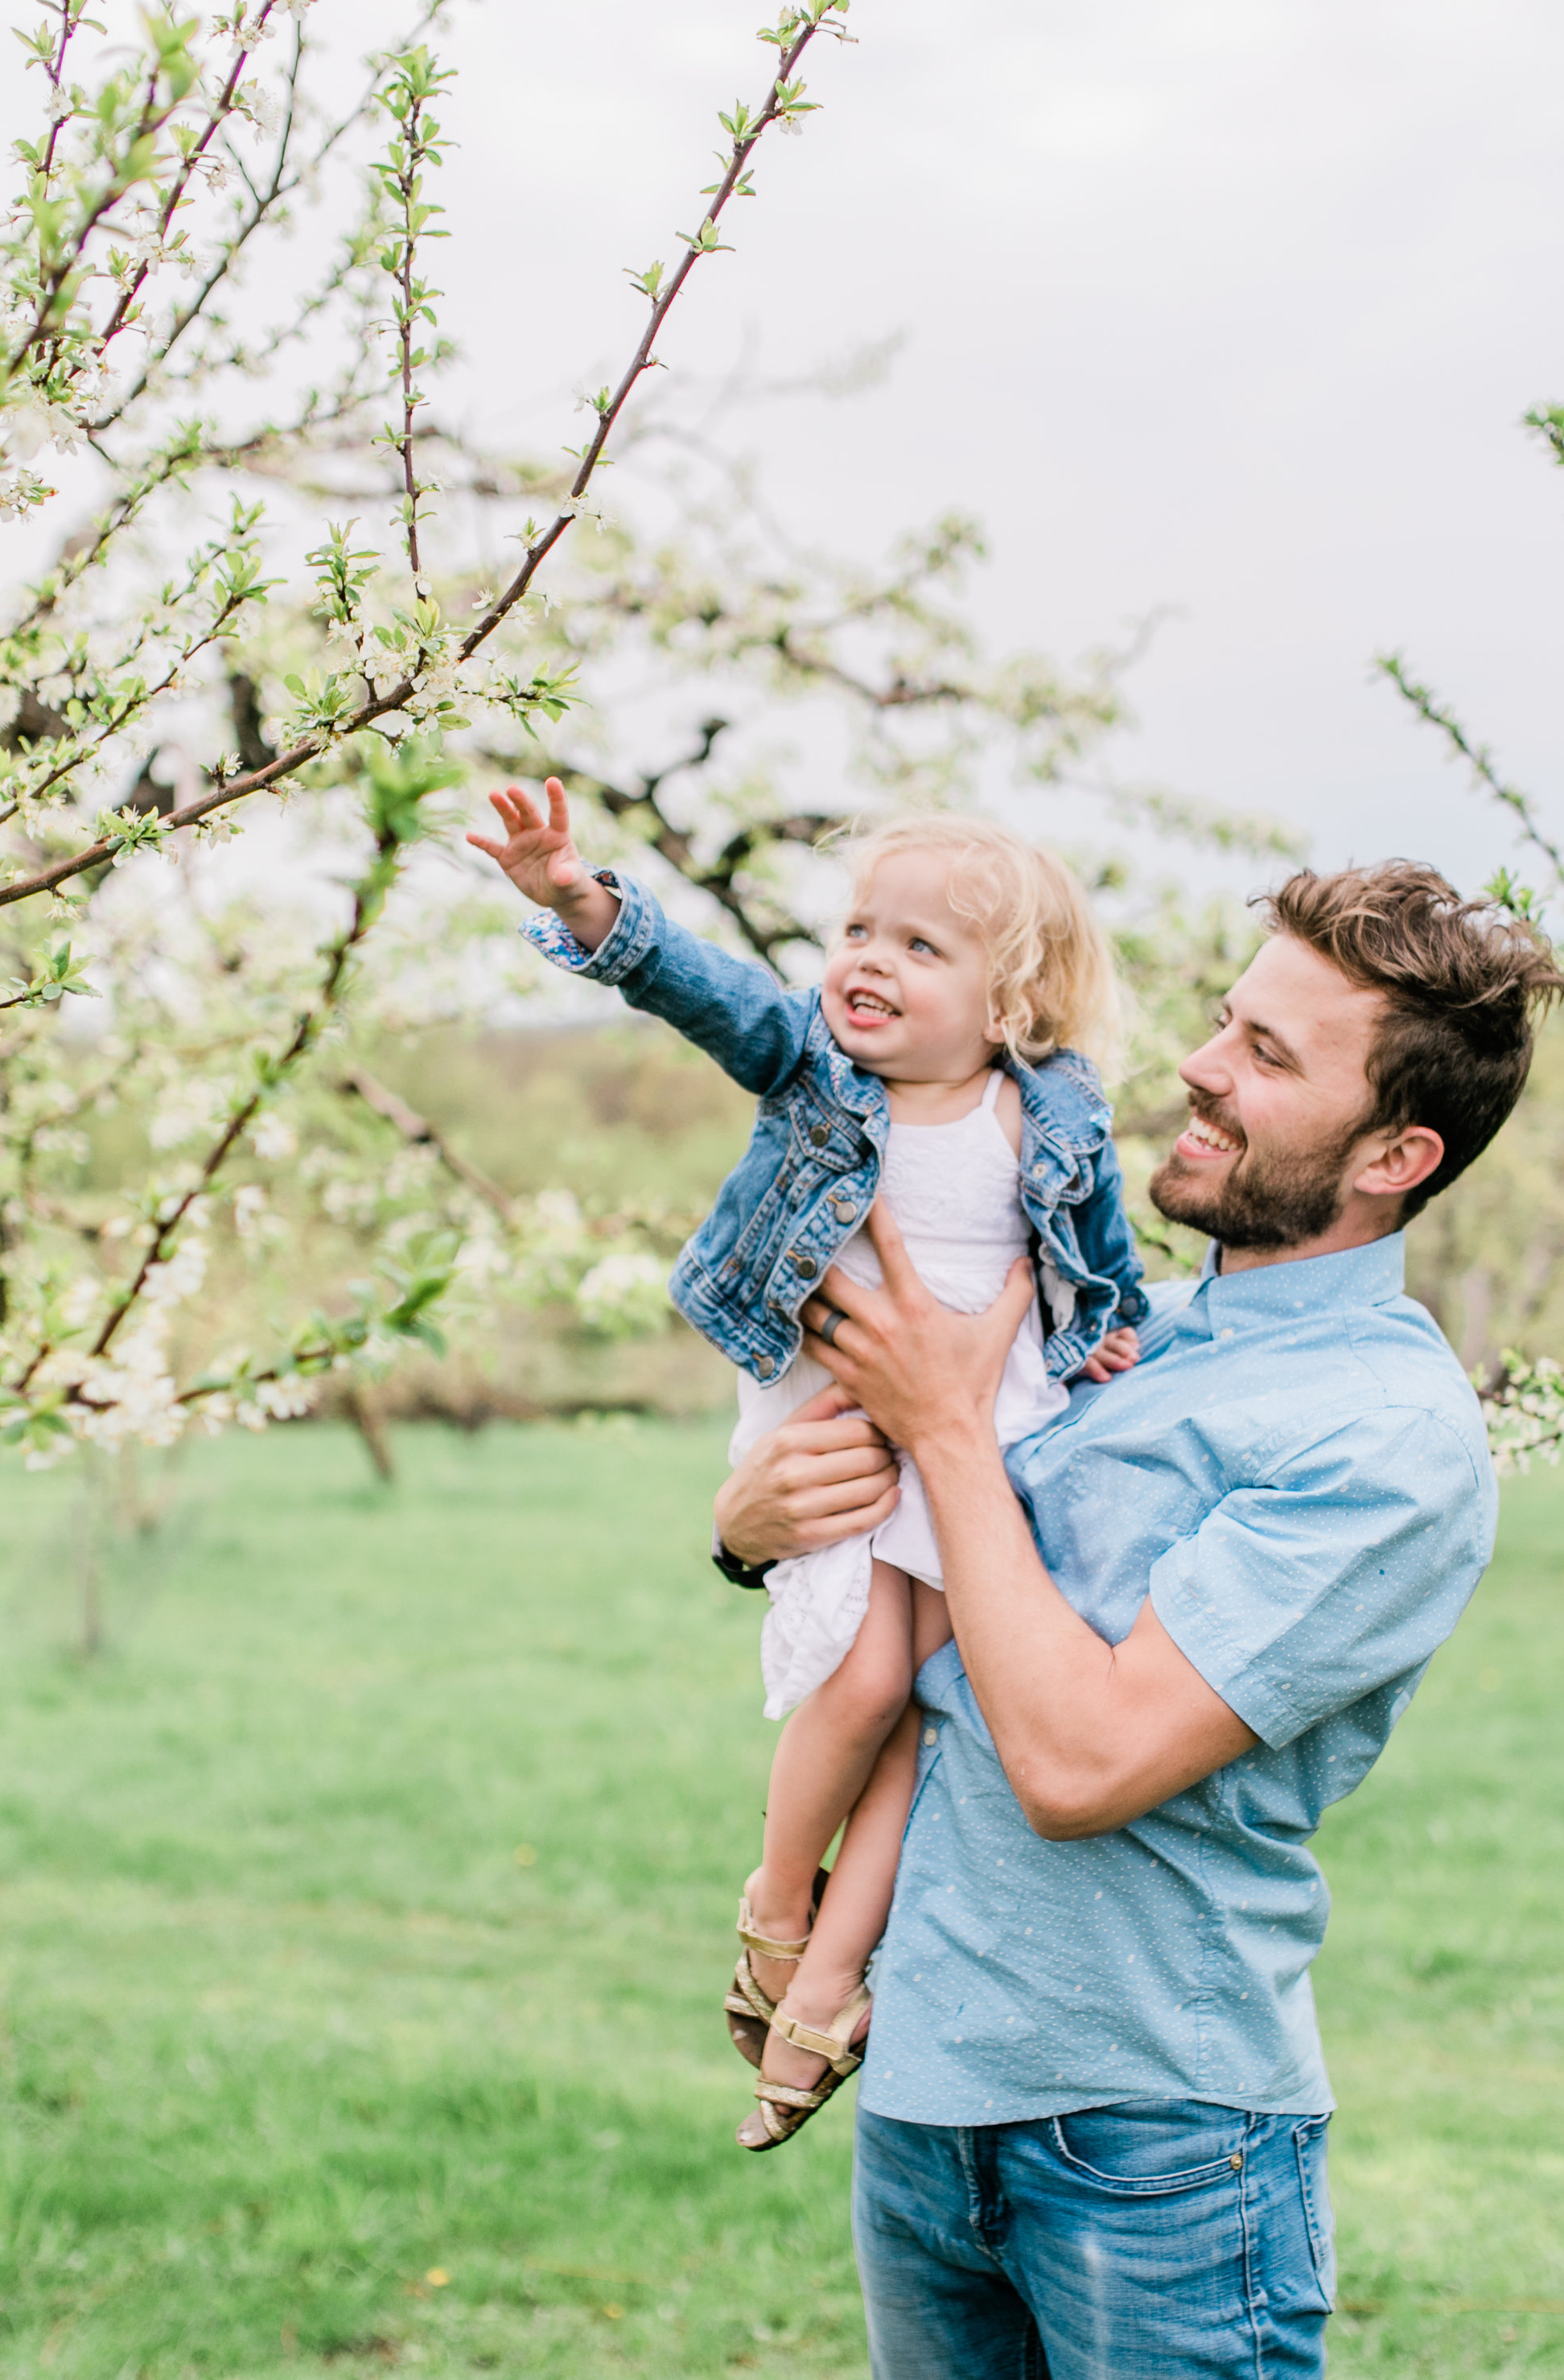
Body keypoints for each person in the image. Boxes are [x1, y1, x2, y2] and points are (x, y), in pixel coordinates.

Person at [713, 860, 1564, 2380]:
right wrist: (742, 1527)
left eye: (1264, 1055)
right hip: (934, 2102)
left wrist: (943, 1423)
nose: (1193, 1067)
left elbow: (1084, 1757)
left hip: (1161, 2148)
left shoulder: (1382, 1439)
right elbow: (914, 1628)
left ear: (1389, 1157)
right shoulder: (1117, 1327)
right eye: (1220, 1018)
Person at [467, 786, 1148, 2151]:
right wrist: (583, 900)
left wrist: (1113, 1333)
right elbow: (708, 991)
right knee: (869, 1674)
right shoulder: (817, 1070)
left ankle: (830, 1980)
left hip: (986, 1418)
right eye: (857, 929)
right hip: (833, 1405)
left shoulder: (1056, 1114)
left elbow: (1100, 1249)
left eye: (919, 947)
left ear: (1011, 1002)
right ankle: (780, 1903)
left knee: (939, 1702)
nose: (867, 962)